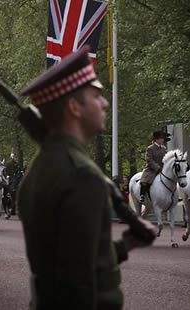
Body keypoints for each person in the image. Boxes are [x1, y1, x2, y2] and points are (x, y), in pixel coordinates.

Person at [17, 46, 155, 310]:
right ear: (74, 107)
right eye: (96, 95)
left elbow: (74, 262)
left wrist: (126, 245)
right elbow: (77, 282)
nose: (104, 103)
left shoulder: (40, 169)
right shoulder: (81, 175)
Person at [139, 131, 170, 203]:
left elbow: (166, 158)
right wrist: (157, 167)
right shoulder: (150, 148)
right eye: (162, 138)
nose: (163, 140)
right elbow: (149, 160)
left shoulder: (163, 148)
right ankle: (142, 195)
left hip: (163, 169)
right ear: (157, 139)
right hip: (152, 169)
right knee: (145, 180)